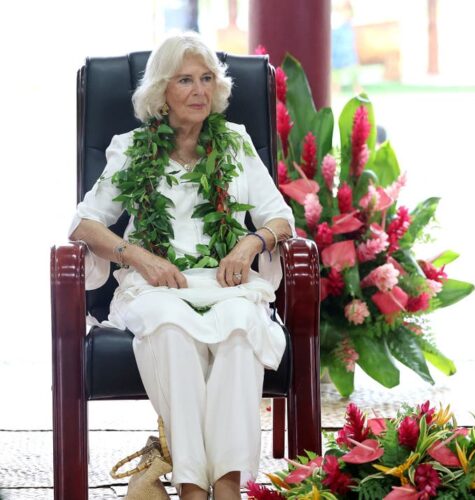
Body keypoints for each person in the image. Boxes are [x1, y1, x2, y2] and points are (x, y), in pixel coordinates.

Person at [69, 32, 294, 500]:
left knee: (238, 325)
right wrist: (140, 256)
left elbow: (281, 217)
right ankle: (191, 485)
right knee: (170, 327)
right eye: (185, 80)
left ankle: (230, 484)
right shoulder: (130, 149)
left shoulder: (235, 143)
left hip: (226, 282)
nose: (199, 90)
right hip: (154, 288)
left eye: (207, 79)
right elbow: (85, 224)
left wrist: (249, 245)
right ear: (160, 93)